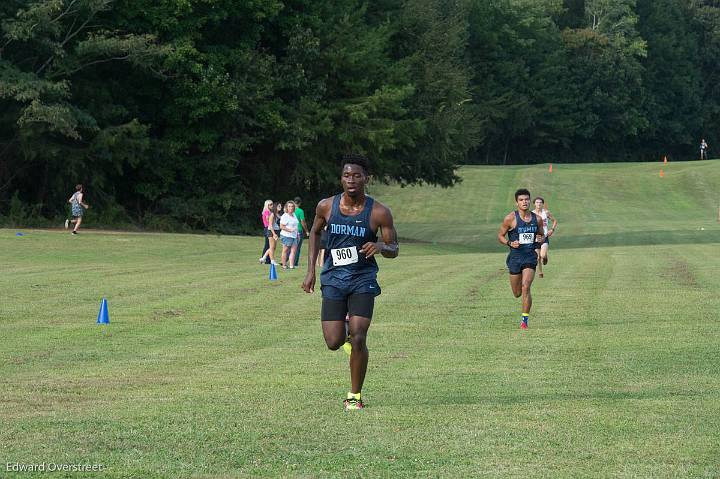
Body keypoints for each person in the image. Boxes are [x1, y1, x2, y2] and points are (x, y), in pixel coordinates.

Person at [302, 153, 399, 411]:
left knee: (359, 336)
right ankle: (344, 330)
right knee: (334, 342)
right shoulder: (326, 206)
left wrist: (380, 245)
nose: (351, 180)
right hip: (333, 277)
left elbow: (394, 247)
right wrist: (311, 270)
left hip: (362, 279)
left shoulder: (379, 212)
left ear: (366, 178)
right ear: (341, 178)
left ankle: (354, 395)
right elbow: (314, 232)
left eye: (357, 175)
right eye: (347, 175)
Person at [497, 188, 544, 330]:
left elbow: (541, 236)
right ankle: (523, 310)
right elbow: (500, 236)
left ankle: (524, 321)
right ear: (516, 202)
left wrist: (540, 239)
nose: (524, 202)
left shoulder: (538, 219)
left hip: (530, 256)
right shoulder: (510, 218)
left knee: (526, 287)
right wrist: (510, 243)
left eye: (526, 199)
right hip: (515, 258)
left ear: (530, 201)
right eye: (521, 200)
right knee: (517, 293)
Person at [532, 197, 557, 278]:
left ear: (542, 204)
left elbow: (554, 221)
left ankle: (545, 257)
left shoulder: (546, 212)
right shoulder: (531, 214)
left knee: (542, 255)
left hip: (544, 237)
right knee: (537, 257)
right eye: (537, 202)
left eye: (540, 202)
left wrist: (552, 230)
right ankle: (540, 272)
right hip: (535, 238)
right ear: (534, 204)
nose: (539, 204)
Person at [279, 200, 300, 269]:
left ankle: (291, 266)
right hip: (286, 235)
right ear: (287, 208)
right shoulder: (285, 216)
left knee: (294, 250)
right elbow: (281, 226)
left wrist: (297, 234)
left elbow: (296, 225)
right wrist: (289, 230)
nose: (291, 208)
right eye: (289, 206)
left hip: (294, 236)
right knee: (285, 250)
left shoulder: (294, 215)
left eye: (292, 206)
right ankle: (284, 265)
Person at [292, 197, 310, 267]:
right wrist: (307, 231)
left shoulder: (290, 210)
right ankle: (295, 262)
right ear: (300, 203)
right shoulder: (300, 211)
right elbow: (303, 222)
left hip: (291, 230)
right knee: (297, 248)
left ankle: (288, 260)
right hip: (298, 230)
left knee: (291, 247)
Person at [259, 200, 277, 265]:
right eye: (270, 204)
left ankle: (267, 259)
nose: (272, 206)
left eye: (272, 204)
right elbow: (267, 219)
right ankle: (264, 259)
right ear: (267, 205)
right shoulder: (266, 211)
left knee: (270, 245)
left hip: (269, 228)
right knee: (267, 245)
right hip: (268, 228)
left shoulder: (270, 212)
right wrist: (272, 217)